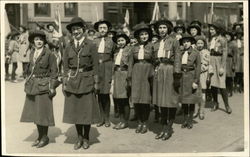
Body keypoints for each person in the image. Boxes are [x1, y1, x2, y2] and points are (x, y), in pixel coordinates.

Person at [62, 17, 101, 150]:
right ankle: (79, 137)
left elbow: (96, 65)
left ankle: (86, 138)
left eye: (78, 29)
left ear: (83, 30)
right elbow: (65, 66)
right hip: (72, 81)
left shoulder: (91, 45)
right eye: (73, 29)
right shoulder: (68, 46)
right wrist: (64, 81)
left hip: (87, 81)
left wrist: (96, 83)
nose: (76, 31)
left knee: (86, 112)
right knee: (76, 112)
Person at [20, 30, 58, 148]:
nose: (39, 42)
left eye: (41, 40)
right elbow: (30, 68)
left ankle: (45, 137)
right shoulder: (32, 53)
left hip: (44, 85)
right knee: (36, 112)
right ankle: (39, 136)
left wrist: (52, 87)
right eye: (36, 40)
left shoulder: (49, 54)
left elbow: (54, 72)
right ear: (32, 42)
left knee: (43, 113)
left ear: (44, 41)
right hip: (33, 85)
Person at [153, 19, 182, 140]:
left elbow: (177, 59)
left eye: (164, 27)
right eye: (160, 28)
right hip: (159, 71)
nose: (162, 30)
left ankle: (169, 128)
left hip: (170, 71)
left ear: (168, 29)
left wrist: (176, 75)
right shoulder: (156, 43)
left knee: (170, 101)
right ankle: (163, 127)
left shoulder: (174, 41)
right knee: (161, 102)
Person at [128, 22, 154, 134]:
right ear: (138, 36)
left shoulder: (152, 47)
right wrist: (129, 77)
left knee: (145, 100)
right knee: (137, 100)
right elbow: (130, 63)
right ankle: (139, 122)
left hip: (148, 72)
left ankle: (145, 123)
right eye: (142, 34)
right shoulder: (133, 48)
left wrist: (152, 74)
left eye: (146, 34)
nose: (144, 36)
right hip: (136, 72)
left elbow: (154, 61)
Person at [93, 19, 115, 127]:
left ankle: (107, 118)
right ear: (98, 29)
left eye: (104, 28)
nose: (102, 30)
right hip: (97, 68)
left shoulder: (112, 41)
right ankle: (100, 118)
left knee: (105, 93)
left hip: (107, 67)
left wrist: (113, 70)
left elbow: (115, 56)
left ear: (108, 29)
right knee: (98, 93)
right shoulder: (94, 41)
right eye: (101, 28)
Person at [208, 19, 232, 114]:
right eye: (210, 29)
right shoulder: (211, 39)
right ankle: (215, 103)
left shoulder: (222, 39)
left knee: (222, 85)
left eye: (213, 29)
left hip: (219, 61)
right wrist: (209, 63)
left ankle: (227, 105)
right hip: (212, 61)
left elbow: (225, 53)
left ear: (217, 30)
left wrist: (222, 66)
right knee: (213, 84)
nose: (211, 31)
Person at [179, 34, 201, 129]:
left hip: (191, 76)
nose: (185, 44)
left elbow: (198, 68)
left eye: (187, 42)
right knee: (184, 100)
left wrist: (196, 81)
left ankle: (190, 119)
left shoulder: (195, 53)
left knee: (191, 100)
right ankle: (185, 119)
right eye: (184, 42)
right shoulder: (180, 52)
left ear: (191, 42)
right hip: (182, 77)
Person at [111, 32, 131, 130]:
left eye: (122, 40)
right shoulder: (116, 51)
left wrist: (129, 78)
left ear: (126, 41)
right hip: (117, 74)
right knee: (118, 99)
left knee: (124, 99)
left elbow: (130, 65)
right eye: (118, 41)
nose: (120, 42)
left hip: (125, 74)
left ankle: (125, 121)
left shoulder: (129, 51)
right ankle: (121, 120)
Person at [195, 35, 213, 120]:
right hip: (194, 74)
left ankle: (201, 110)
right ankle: (195, 110)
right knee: (194, 92)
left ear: (204, 44)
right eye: (198, 43)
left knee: (202, 93)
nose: (200, 45)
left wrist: (208, 76)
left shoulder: (206, 52)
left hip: (203, 74)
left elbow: (209, 64)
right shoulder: (194, 51)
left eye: (201, 43)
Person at [225, 31, 238, 97]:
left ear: (231, 37)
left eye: (228, 36)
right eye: (225, 37)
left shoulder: (233, 44)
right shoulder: (225, 43)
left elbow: (235, 55)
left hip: (230, 61)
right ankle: (226, 90)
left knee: (229, 77)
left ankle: (230, 91)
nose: (226, 38)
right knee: (225, 77)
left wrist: (234, 64)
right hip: (225, 61)